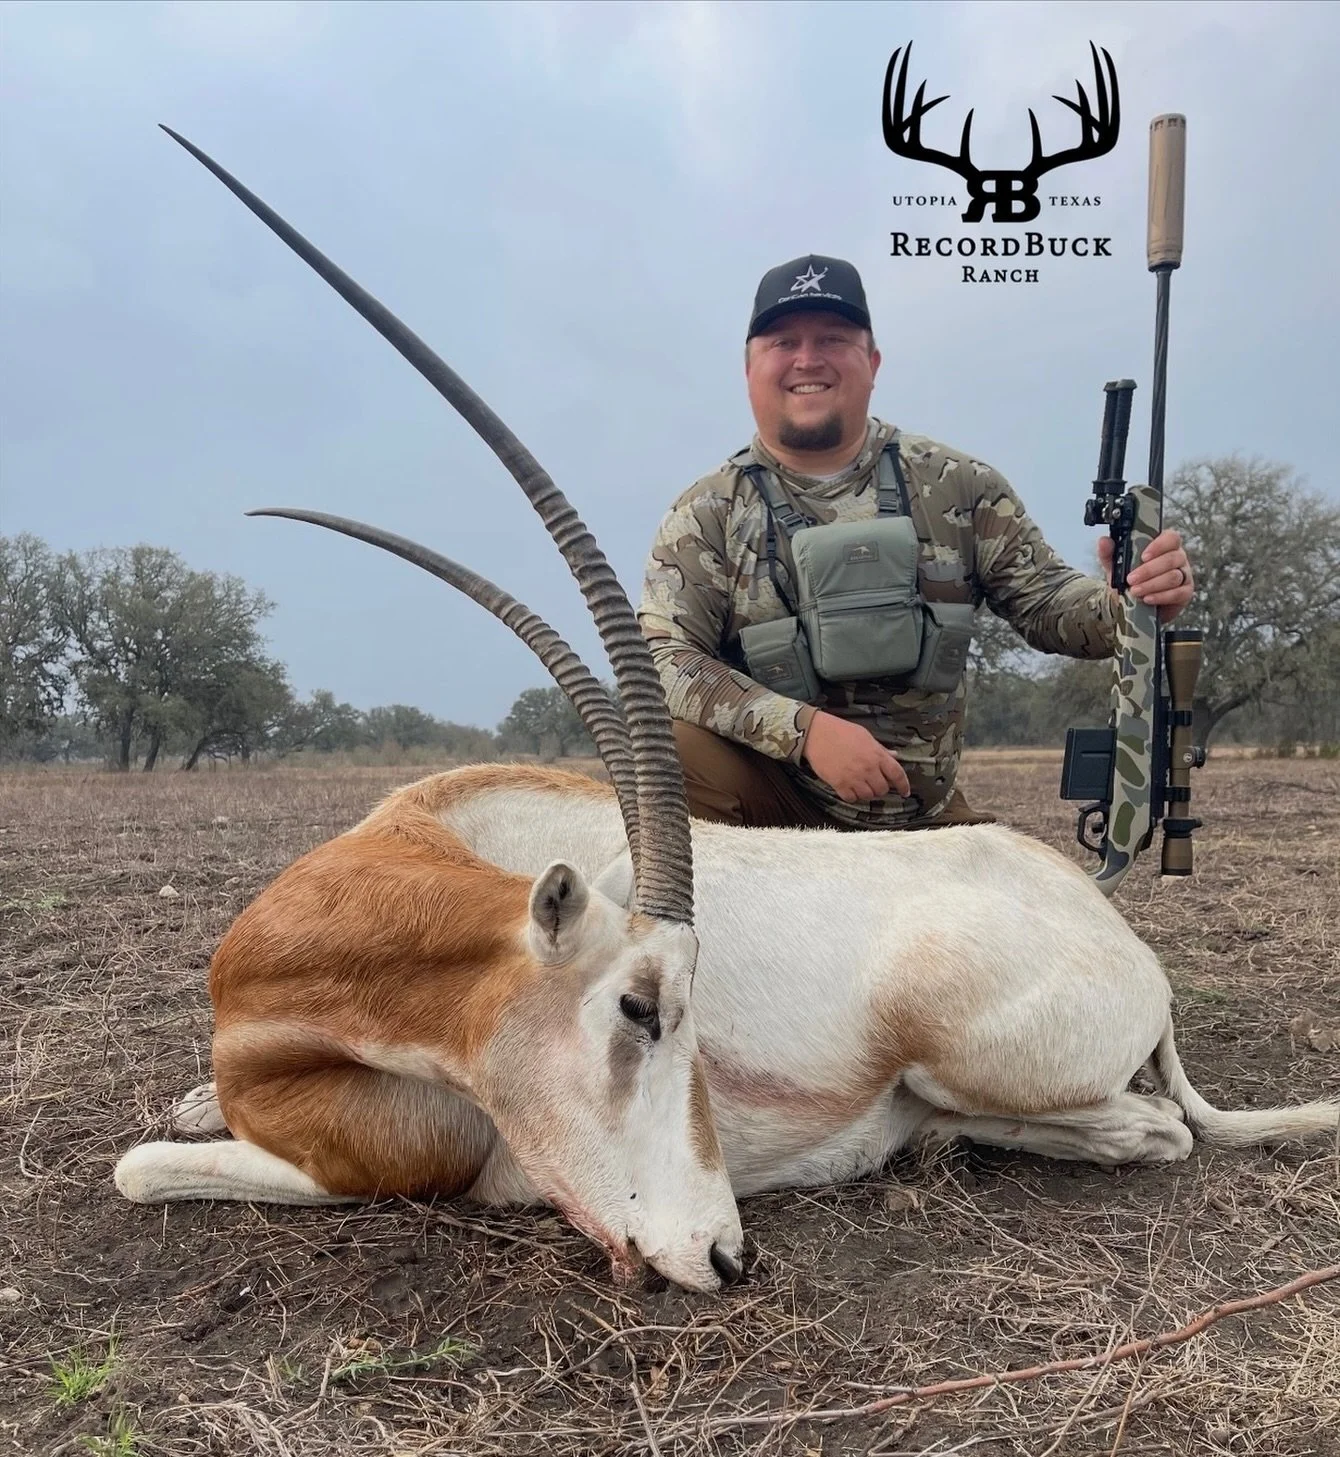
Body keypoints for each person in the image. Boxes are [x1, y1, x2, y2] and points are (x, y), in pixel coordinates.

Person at [638, 254, 1196, 830]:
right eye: (784, 342)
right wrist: (804, 733)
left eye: (833, 339)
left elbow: (1049, 605)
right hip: (774, 815)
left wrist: (1131, 600)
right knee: (658, 749)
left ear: (873, 362)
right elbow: (661, 662)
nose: (808, 359)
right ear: (749, 366)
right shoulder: (705, 513)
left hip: (920, 815)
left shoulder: (960, 484)